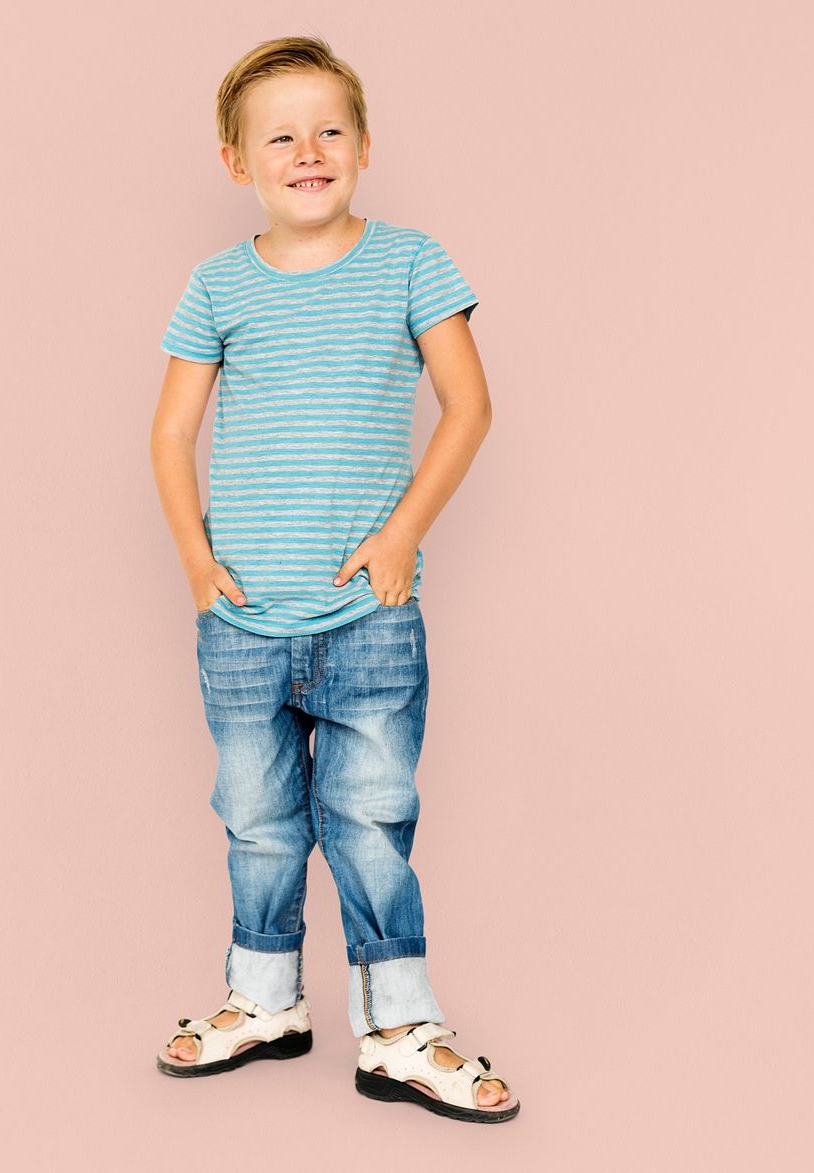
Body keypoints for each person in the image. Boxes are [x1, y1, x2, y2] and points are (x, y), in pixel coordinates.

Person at [149, 34, 519, 1123]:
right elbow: (172, 435)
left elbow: (470, 407)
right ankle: (264, 1000)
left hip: (370, 616)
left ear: (362, 145)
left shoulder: (410, 262)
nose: (307, 151)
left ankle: (399, 1025)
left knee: (369, 815)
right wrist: (195, 562)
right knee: (258, 816)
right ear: (236, 163)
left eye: (328, 131)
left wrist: (403, 533)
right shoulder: (216, 284)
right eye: (280, 136)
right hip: (244, 616)